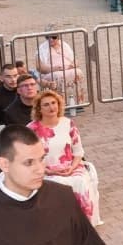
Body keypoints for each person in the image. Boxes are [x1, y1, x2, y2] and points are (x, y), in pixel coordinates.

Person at [31, 89, 101, 225]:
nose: (51, 107)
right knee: (58, 184)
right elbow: (30, 158)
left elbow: (78, 152)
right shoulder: (31, 129)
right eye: (46, 104)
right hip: (45, 170)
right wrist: (48, 171)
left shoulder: (68, 123)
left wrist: (72, 168)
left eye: (54, 103)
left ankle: (83, 224)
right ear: (39, 109)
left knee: (80, 182)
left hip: (71, 167)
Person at [38, 34, 86, 108]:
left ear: (58, 37)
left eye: (54, 37)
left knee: (78, 72)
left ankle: (79, 103)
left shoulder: (65, 45)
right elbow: (39, 67)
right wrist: (54, 68)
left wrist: (72, 65)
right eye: (47, 37)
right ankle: (60, 104)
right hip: (51, 71)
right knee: (58, 76)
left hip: (67, 68)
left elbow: (76, 61)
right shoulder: (42, 48)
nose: (51, 39)